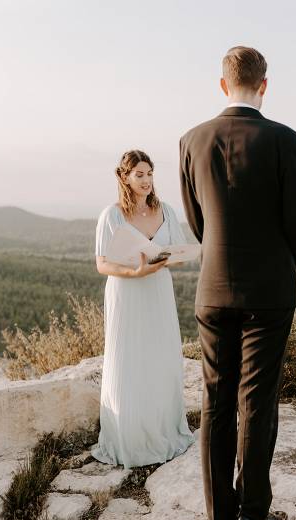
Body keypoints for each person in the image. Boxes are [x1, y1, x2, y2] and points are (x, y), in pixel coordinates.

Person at [180, 46, 296, 520]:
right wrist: (281, 264)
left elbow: (197, 220)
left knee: (216, 402)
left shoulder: (192, 139)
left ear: (222, 84)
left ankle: (219, 519)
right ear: (265, 85)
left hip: (212, 290)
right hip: (270, 291)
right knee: (257, 401)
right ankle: (254, 512)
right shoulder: (285, 139)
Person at [92, 149, 195, 469]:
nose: (147, 180)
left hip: (158, 290)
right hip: (128, 291)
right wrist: (135, 272)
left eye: (150, 173)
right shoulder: (111, 215)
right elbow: (102, 264)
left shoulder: (165, 209)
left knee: (160, 355)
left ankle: (163, 426)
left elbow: (178, 250)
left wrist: (169, 258)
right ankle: (130, 436)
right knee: (129, 356)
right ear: (124, 177)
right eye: (139, 174)